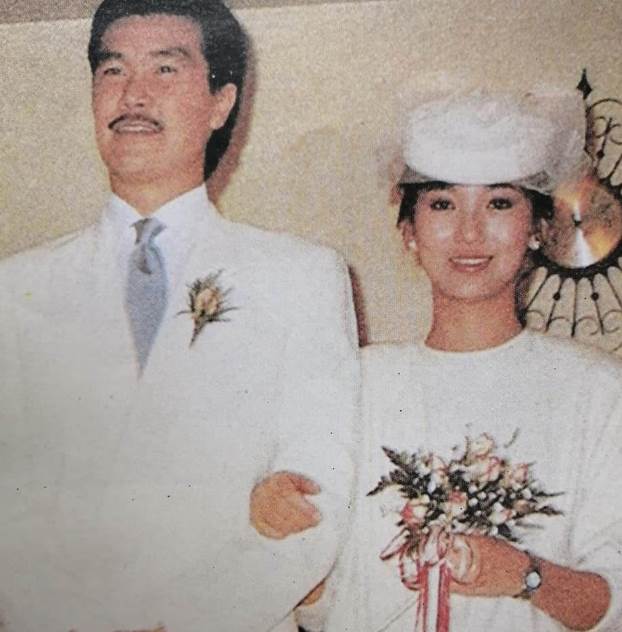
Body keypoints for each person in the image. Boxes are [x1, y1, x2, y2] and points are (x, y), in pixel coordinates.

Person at [0, 1, 358, 630]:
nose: (133, 94)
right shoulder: (16, 287)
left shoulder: (299, 276)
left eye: (165, 69)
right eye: (113, 70)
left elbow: (316, 494)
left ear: (221, 102)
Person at [291, 92, 622, 631]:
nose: (469, 233)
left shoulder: (600, 392)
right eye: (443, 204)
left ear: (538, 229)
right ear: (409, 232)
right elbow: (320, 591)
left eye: (499, 204)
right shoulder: (354, 383)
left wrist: (524, 575)